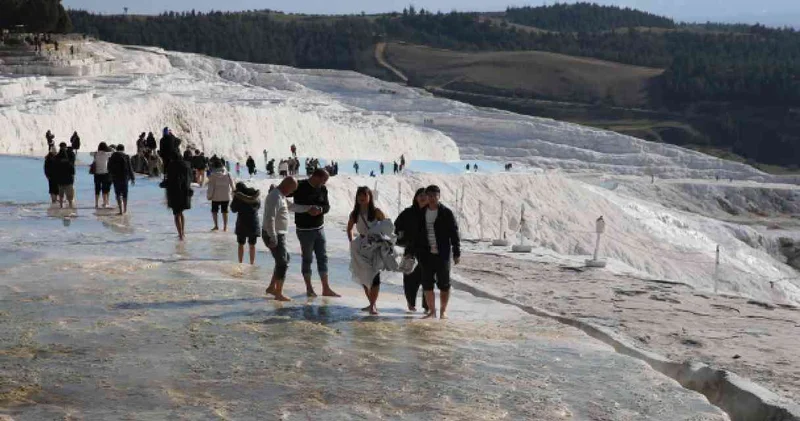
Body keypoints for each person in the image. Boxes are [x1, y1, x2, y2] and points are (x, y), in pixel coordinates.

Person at [415, 185, 460, 319]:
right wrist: (414, 251)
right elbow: (416, 234)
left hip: (443, 254)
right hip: (426, 254)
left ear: (439, 196)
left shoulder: (446, 213)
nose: (432, 198)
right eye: (430, 196)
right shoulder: (422, 213)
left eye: (435, 196)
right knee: (427, 284)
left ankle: (443, 311)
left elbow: (454, 233)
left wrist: (456, 252)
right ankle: (432, 311)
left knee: (444, 284)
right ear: (426, 197)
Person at [294, 169, 339, 297]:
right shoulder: (300, 186)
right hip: (304, 230)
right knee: (307, 258)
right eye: (324, 180)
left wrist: (320, 210)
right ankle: (309, 288)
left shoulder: (323, 189)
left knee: (323, 257)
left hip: (319, 228)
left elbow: (327, 207)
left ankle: (326, 288)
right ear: (316, 177)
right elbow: (284, 193)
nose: (324, 183)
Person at [347, 186, 387, 315]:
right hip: (361, 245)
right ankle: (371, 303)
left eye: (365, 195)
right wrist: (352, 241)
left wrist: (384, 241)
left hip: (375, 246)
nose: (362, 197)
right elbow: (349, 228)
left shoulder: (376, 212)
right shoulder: (354, 213)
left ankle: (373, 305)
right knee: (363, 275)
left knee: (375, 274)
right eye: (359, 195)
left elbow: (387, 227)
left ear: (370, 197)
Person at [263, 177, 300, 302]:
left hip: (278, 233)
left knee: (284, 259)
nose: (291, 193)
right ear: (287, 186)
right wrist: (273, 237)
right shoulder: (275, 197)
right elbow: (270, 218)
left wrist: (309, 208)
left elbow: (293, 207)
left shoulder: (281, 196)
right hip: (274, 234)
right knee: (283, 263)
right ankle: (278, 293)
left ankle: (271, 287)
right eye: (292, 190)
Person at [394, 188, 429, 313]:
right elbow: (396, 226)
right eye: (420, 195)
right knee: (410, 278)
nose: (422, 197)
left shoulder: (433, 212)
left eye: (425, 195)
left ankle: (427, 305)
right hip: (411, 251)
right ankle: (411, 303)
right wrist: (401, 236)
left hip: (428, 251)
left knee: (428, 279)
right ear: (415, 197)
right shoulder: (407, 212)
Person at [164, 150, 193, 241]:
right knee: (181, 212)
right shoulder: (187, 165)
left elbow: (169, 180)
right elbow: (190, 178)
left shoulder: (171, 166)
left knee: (176, 214)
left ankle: (180, 235)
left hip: (174, 192)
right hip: (185, 192)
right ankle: (183, 232)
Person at [231, 182, 261, 265]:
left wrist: (234, 197)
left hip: (242, 223)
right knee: (252, 245)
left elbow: (233, 209)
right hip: (253, 223)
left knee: (241, 244)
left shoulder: (238, 196)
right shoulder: (254, 195)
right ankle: (252, 263)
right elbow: (258, 206)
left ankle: (240, 262)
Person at [206, 159, 235, 232]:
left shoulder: (212, 175)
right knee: (225, 211)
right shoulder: (228, 174)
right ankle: (225, 227)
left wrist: (209, 196)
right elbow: (232, 185)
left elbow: (211, 187)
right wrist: (233, 193)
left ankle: (216, 226)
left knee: (214, 211)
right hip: (226, 196)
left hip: (215, 197)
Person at [107, 145, 135, 215]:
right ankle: (125, 209)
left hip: (116, 178)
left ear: (117, 149)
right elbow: (130, 168)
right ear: (123, 149)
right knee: (125, 194)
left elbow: (109, 167)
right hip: (125, 178)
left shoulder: (112, 156)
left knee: (118, 194)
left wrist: (110, 176)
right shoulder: (126, 156)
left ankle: (120, 210)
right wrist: (132, 178)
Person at [90, 142, 114, 209]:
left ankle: (96, 204)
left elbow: (90, 153)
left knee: (97, 189)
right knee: (104, 189)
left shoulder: (95, 154)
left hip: (96, 173)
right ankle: (105, 203)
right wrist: (111, 148)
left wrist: (96, 152)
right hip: (105, 173)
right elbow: (113, 153)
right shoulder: (106, 154)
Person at [55, 144, 76, 209]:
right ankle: (70, 206)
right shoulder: (69, 162)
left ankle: (61, 205)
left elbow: (55, 170)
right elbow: (73, 171)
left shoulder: (57, 161)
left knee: (61, 194)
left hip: (60, 180)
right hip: (68, 180)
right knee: (69, 196)